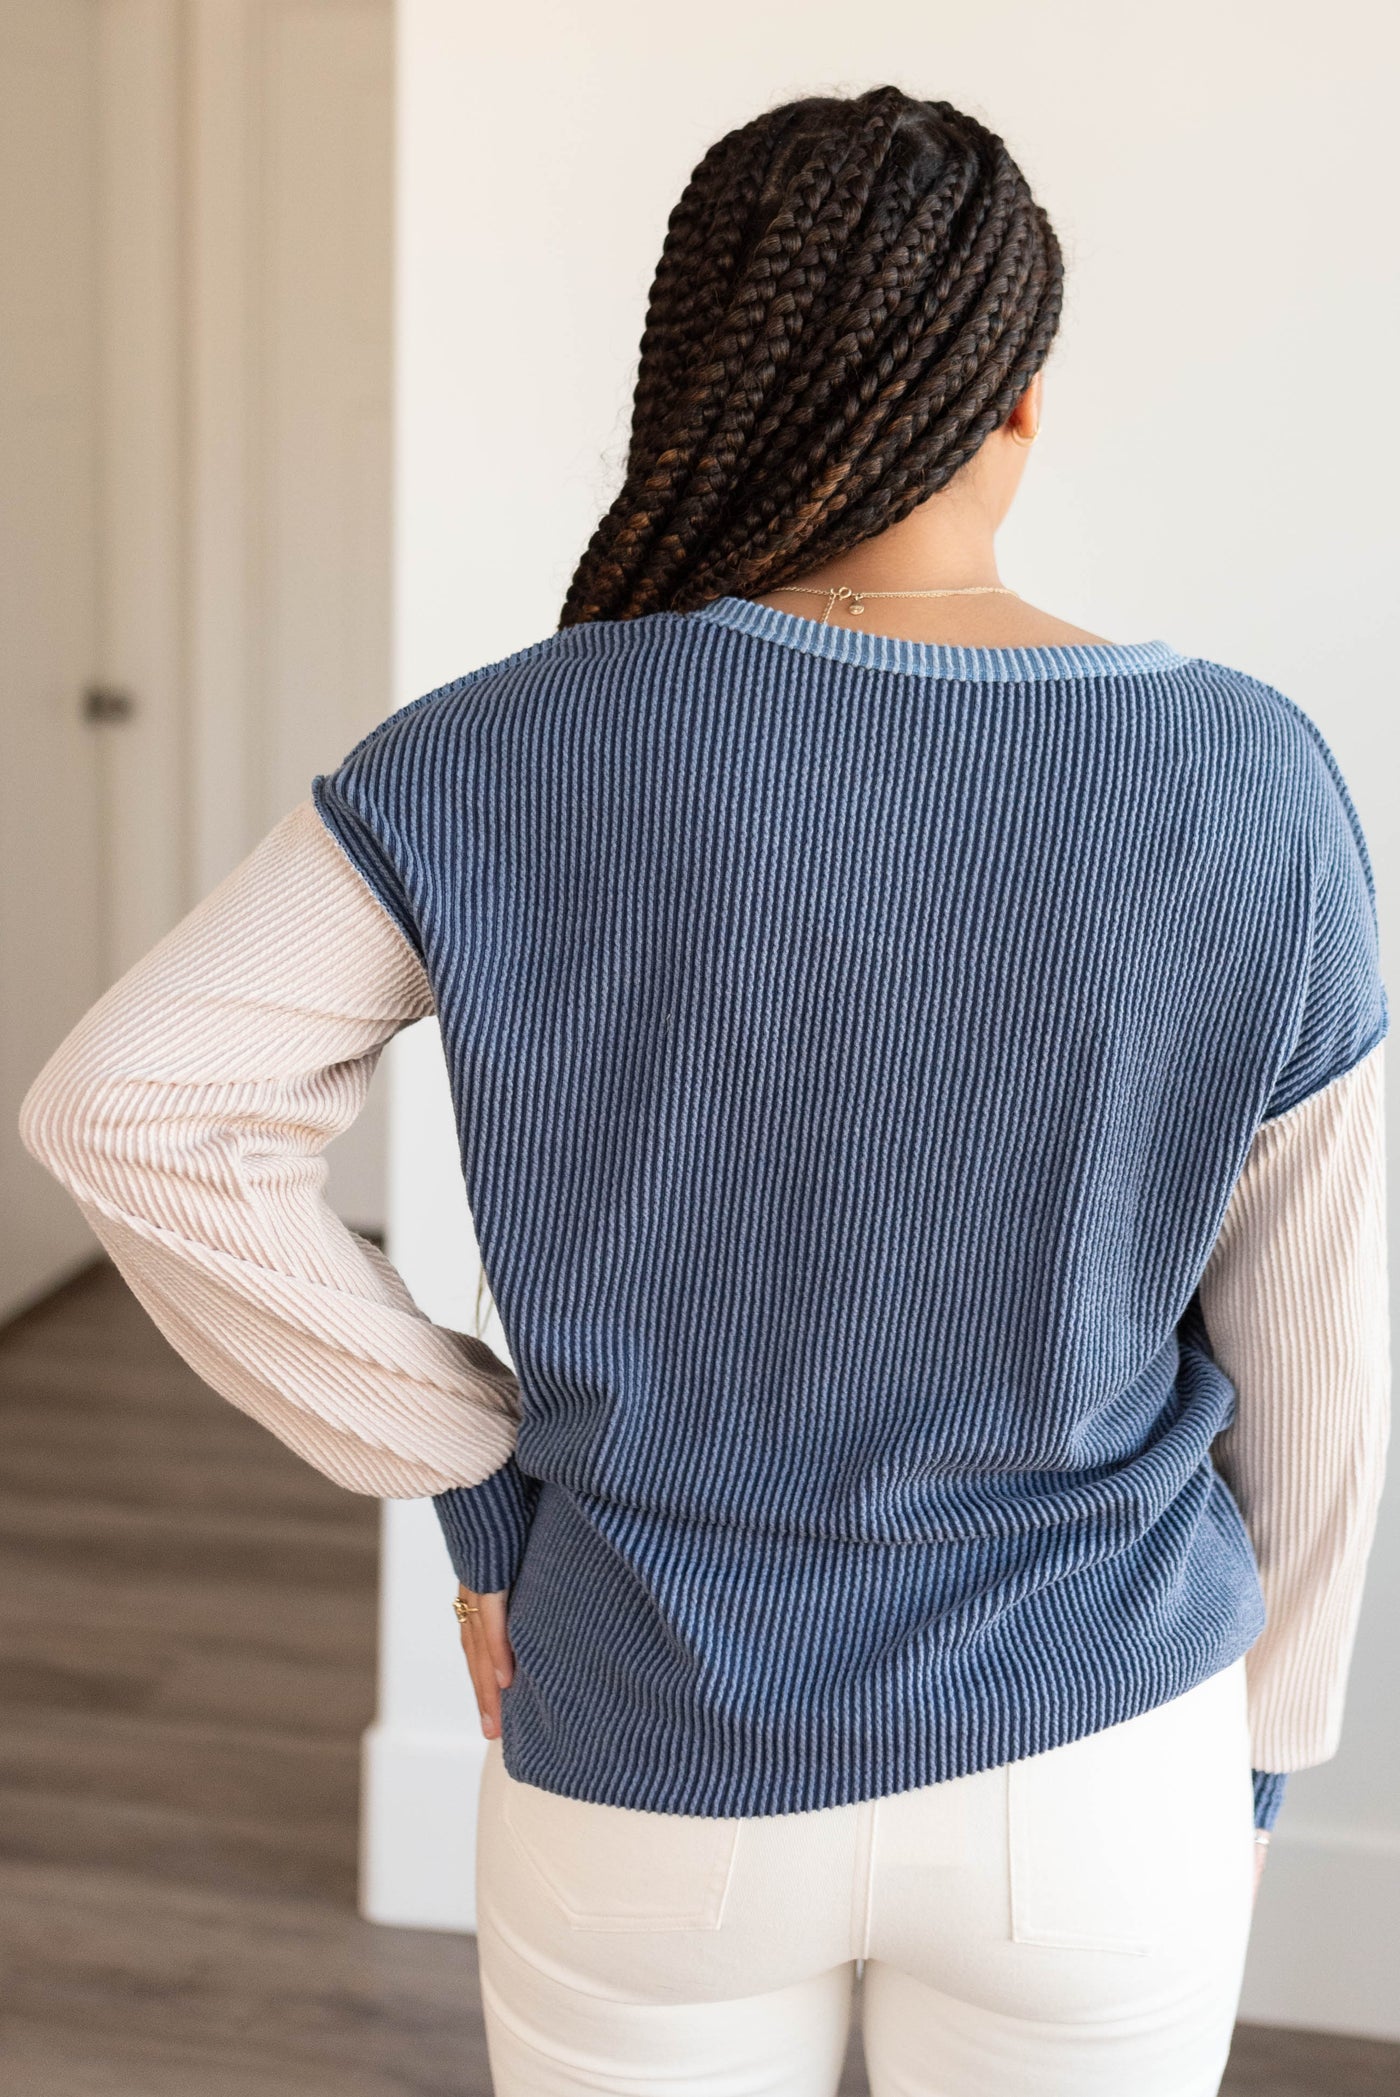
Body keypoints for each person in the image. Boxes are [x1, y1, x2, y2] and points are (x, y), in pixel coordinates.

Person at [19, 84, 1390, 2097]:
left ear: (704, 387)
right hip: (1096, 1769)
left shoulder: (500, 750)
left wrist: (483, 1482)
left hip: (643, 1754)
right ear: (1012, 406)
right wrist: (1258, 1745)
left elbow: (127, 1112)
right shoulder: (1250, 782)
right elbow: (1318, 1350)